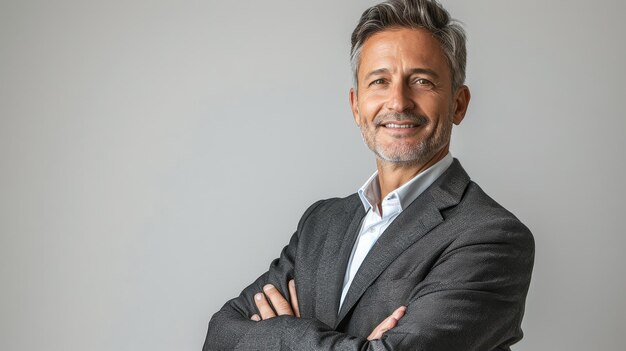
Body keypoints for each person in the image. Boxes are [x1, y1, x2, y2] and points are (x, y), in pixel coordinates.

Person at [203, 0, 534, 349]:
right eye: (379, 81)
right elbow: (221, 335)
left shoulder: (491, 236)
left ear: (458, 104)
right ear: (356, 106)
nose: (398, 102)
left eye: (421, 81)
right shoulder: (321, 223)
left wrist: (282, 332)